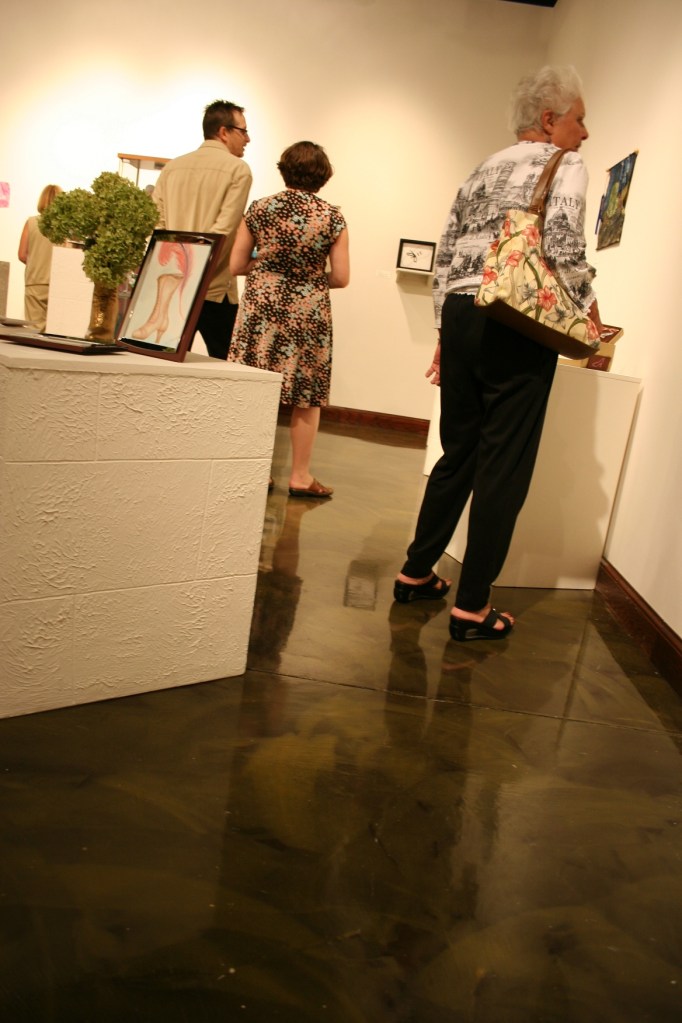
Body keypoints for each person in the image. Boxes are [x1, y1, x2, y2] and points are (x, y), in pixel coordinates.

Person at [394, 65, 603, 641]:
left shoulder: (483, 166)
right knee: (502, 465)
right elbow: (561, 246)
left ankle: (415, 575)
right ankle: (472, 609)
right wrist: (589, 308)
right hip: (515, 319)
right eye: (579, 119)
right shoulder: (567, 164)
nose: (584, 132)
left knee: (457, 453)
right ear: (550, 119)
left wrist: (443, 331)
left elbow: (446, 253)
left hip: (462, 313)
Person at [228, 141, 350, 498]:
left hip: (261, 307)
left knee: (256, 387)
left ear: (284, 170)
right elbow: (341, 277)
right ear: (323, 176)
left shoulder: (261, 209)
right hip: (307, 311)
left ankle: (255, 471)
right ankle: (299, 476)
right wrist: (309, 278)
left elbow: (236, 265)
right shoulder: (332, 217)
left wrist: (267, 270)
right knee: (305, 394)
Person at [153, 99, 252, 359]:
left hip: (173, 283)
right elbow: (224, 229)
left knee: (163, 362)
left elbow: (157, 227)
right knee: (224, 372)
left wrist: (176, 268)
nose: (248, 138)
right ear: (223, 131)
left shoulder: (172, 168)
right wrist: (197, 271)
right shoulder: (238, 170)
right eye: (243, 131)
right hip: (215, 289)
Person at [17, 184, 62, 331]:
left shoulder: (31, 223)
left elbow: (22, 254)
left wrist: (36, 262)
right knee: (57, 332)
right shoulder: (66, 227)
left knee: (34, 331)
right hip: (59, 284)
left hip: (35, 283)